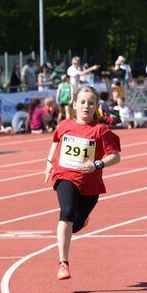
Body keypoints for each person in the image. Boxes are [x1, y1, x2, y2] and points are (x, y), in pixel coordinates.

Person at [44, 86, 120, 280]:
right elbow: (55, 141)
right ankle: (63, 264)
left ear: (96, 107)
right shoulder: (64, 125)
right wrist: (48, 162)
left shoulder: (101, 130)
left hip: (90, 183)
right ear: (75, 104)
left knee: (75, 224)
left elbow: (115, 156)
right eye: (83, 102)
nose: (86, 106)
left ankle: (82, 220)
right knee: (66, 213)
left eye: (91, 103)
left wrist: (97, 164)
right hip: (65, 176)